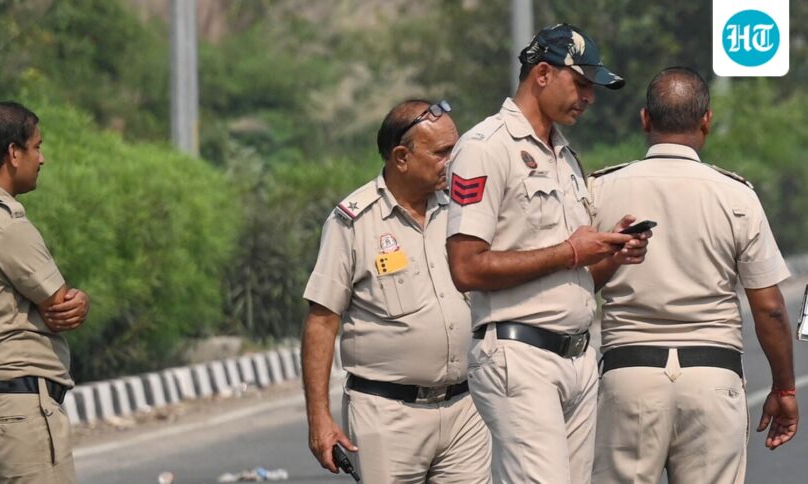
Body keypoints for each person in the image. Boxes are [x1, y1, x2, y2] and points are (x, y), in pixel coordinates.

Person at [445, 24, 650, 484]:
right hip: (519, 355)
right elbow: (466, 267)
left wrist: (610, 252)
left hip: (576, 355)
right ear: (542, 74)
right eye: (580, 84)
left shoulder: (565, 156)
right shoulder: (485, 148)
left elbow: (575, 276)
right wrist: (572, 251)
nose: (589, 97)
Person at [589, 67, 798, 483]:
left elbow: (576, 288)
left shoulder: (599, 190)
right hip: (712, 377)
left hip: (627, 375)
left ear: (645, 119)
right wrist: (784, 389)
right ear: (707, 120)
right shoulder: (736, 195)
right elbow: (771, 309)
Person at [301, 99, 492, 483]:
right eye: (442, 153)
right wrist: (319, 418)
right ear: (401, 157)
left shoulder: (463, 211)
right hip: (388, 415)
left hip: (466, 409)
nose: (453, 162)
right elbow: (322, 323)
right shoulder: (353, 223)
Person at [0, 102, 90, 483]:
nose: (41, 159)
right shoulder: (3, 224)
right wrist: (80, 302)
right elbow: (61, 306)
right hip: (16, 405)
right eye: (37, 147)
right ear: (14, 153)